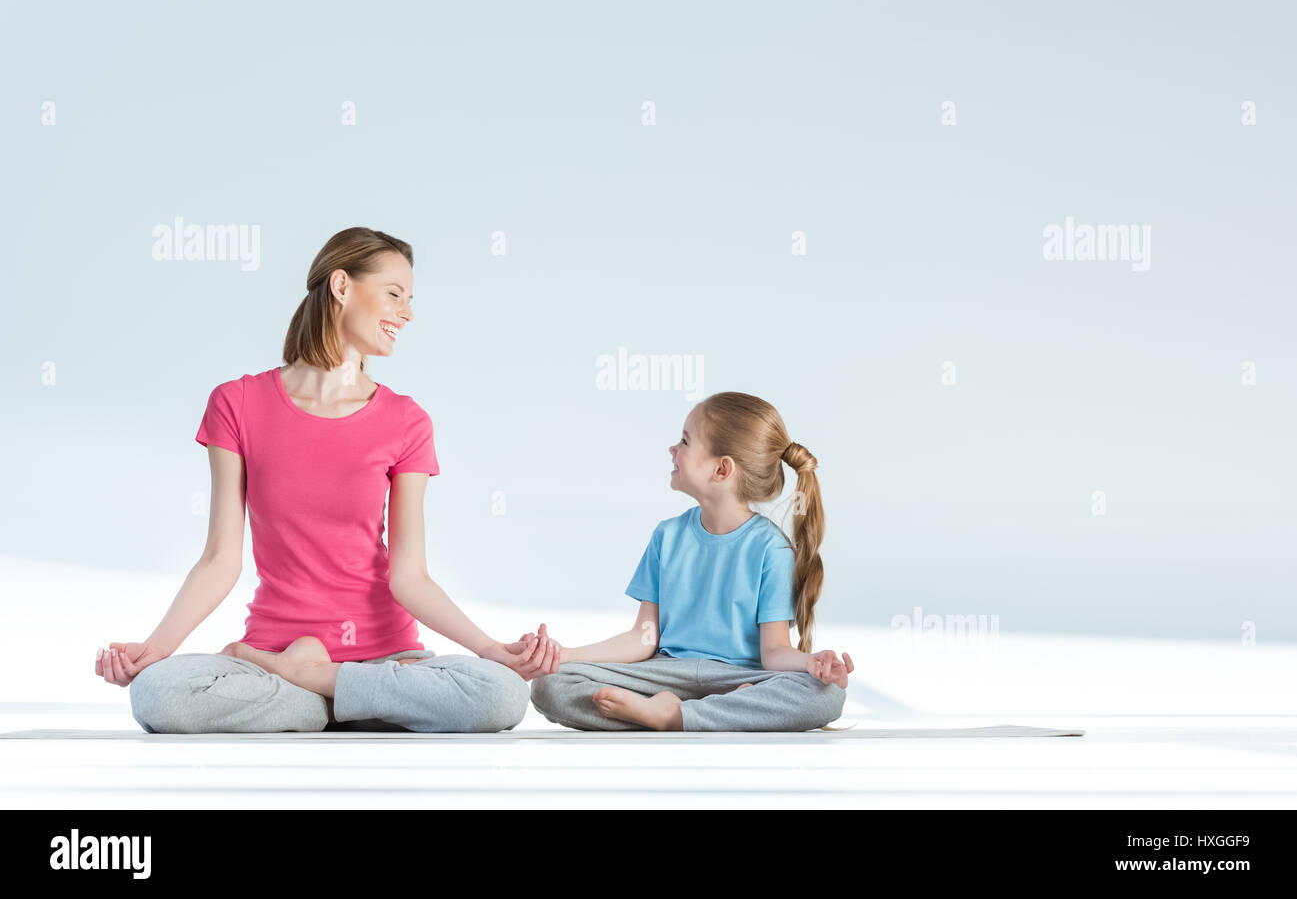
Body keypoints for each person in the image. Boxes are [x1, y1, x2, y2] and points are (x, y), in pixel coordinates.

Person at [93, 227, 559, 732]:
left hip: (384, 658)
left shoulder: (407, 421)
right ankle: (341, 697)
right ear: (342, 286)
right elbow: (220, 558)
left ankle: (313, 686)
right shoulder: (238, 403)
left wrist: (492, 650)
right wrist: (157, 648)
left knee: (501, 696)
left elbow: (410, 576)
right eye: (394, 294)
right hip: (272, 651)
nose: (407, 313)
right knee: (158, 695)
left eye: (410, 300)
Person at [527, 392, 853, 731]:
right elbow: (644, 637)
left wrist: (810, 662)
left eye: (684, 441)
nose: (672, 449)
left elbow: (774, 654)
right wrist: (565, 655)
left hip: (739, 677)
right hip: (664, 673)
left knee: (825, 695)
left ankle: (672, 715)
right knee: (551, 684)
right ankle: (710, 714)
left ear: (722, 468)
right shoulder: (666, 536)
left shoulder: (771, 549)